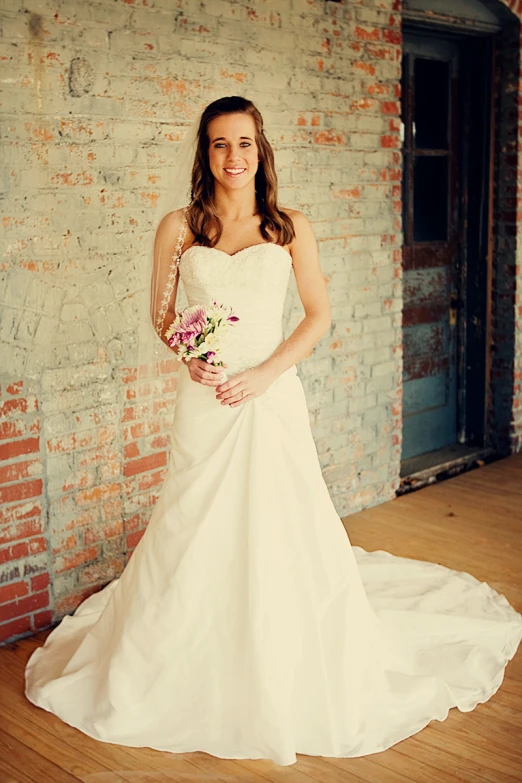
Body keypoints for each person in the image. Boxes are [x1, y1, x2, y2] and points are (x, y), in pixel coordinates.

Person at [24, 96, 522, 768]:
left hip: (270, 395)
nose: (233, 157)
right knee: (193, 526)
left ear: (262, 151)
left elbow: (316, 316)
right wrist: (186, 351)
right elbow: (164, 312)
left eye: (244, 144)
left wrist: (263, 374)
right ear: (204, 153)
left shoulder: (288, 229)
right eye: (219, 145)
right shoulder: (179, 227)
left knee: (280, 527)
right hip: (204, 404)